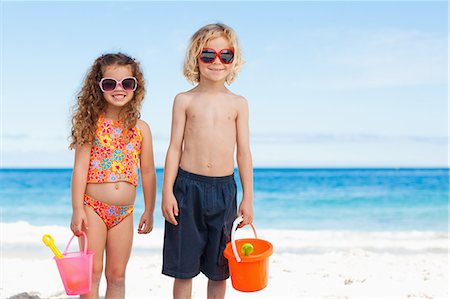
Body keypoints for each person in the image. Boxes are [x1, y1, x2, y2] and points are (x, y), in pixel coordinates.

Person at [161, 23, 254, 299]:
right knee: (183, 269)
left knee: (219, 268)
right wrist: (167, 192)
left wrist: (248, 197)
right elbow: (174, 148)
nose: (217, 61)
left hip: (224, 191)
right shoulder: (184, 100)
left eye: (225, 55)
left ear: (233, 59)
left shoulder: (239, 103)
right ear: (195, 58)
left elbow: (244, 153)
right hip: (187, 188)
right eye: (208, 55)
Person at [69, 53, 156, 299]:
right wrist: (78, 209)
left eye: (127, 83)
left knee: (117, 276)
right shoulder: (91, 125)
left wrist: (149, 210)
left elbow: (148, 172)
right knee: (92, 273)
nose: (119, 89)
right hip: (93, 209)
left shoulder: (142, 129)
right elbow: (80, 169)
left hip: (124, 213)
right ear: (99, 87)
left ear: (135, 87)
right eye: (110, 83)